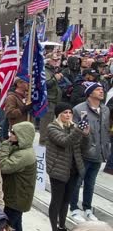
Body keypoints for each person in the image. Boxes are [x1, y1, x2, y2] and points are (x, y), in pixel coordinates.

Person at [70, 82, 110, 222]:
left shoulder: (105, 109)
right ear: (90, 93)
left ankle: (87, 208)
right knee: (77, 182)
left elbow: (104, 131)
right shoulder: (79, 109)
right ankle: (74, 208)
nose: (101, 91)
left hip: (99, 153)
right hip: (83, 152)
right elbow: (73, 131)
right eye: (98, 90)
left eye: (102, 90)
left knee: (90, 183)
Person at [47, 102, 87, 231]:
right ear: (59, 114)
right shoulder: (52, 127)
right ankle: (54, 227)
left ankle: (62, 226)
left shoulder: (74, 127)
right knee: (56, 201)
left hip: (74, 169)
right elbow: (64, 142)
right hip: (58, 169)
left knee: (66, 201)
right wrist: (78, 130)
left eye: (70, 112)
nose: (68, 115)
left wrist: (86, 134)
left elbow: (84, 147)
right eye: (65, 112)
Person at [0, 121, 37, 231]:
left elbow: (4, 166)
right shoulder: (22, 149)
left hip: (15, 200)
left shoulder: (24, 154)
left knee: (6, 226)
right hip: (17, 198)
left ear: (23, 136)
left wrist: (5, 146)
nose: (10, 135)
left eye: (13, 133)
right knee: (16, 225)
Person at [40, 53, 63, 146]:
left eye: (57, 59)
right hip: (48, 100)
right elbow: (45, 85)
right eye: (54, 59)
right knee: (46, 122)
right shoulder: (45, 70)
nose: (56, 61)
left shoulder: (54, 70)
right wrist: (55, 79)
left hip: (55, 99)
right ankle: (43, 143)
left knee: (53, 123)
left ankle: (49, 141)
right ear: (48, 60)